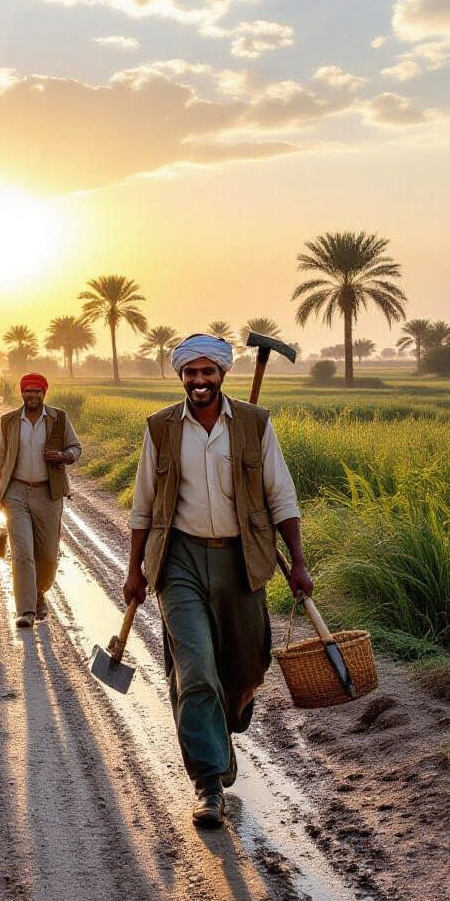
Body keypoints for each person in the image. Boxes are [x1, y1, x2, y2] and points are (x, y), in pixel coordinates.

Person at [123, 334, 311, 829]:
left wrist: (298, 562)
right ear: (180, 376)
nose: (200, 381)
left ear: (223, 375)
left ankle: (220, 731)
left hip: (241, 558)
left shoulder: (253, 424)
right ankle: (208, 783)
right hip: (179, 561)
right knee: (195, 671)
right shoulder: (161, 428)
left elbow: (282, 497)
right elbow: (143, 505)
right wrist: (133, 570)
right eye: (191, 373)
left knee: (246, 670)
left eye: (209, 373)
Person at [0, 373, 82, 628]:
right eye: (27, 391)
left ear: (44, 393)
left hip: (48, 494)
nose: (32, 395)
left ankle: (39, 591)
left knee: (48, 556)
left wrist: (63, 456)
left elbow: (76, 448)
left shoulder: (58, 419)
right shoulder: (9, 421)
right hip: (16, 493)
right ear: (21, 393)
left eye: (36, 391)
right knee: (22, 553)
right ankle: (26, 610)